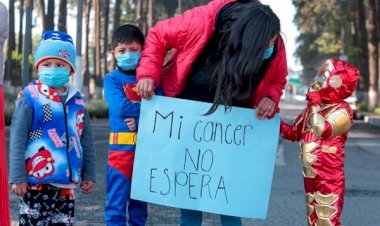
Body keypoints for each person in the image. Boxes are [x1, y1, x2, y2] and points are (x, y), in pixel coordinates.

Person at [136, 0, 287, 225]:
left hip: (233, 125)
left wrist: (269, 97)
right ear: (244, 40)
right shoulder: (200, 21)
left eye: (273, 42)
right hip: (189, 116)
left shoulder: (273, 42)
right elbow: (158, 35)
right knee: (190, 192)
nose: (270, 47)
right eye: (264, 44)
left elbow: (277, 79)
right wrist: (148, 73)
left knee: (230, 196)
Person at [9, 30, 96, 225]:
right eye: (47, 64)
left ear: (70, 69)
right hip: (35, 183)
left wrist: (89, 174)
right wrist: (17, 176)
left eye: (60, 64)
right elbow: (17, 138)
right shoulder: (30, 97)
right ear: (38, 66)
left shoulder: (78, 101)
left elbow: (86, 140)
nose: (53, 68)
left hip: (66, 185)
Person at [280, 58, 360, 226]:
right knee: (312, 220)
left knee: (327, 221)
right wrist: (273, 120)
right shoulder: (314, 107)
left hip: (329, 178)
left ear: (336, 81)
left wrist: (315, 104)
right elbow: (294, 133)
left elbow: (323, 130)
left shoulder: (343, 110)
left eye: (324, 76)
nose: (317, 81)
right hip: (311, 176)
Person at [103, 24, 160, 226]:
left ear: (143, 50)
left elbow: (160, 109)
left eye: (134, 50)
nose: (128, 54)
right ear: (114, 53)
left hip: (145, 153)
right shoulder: (111, 79)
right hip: (120, 154)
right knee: (116, 205)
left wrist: (138, 118)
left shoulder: (152, 80)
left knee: (139, 207)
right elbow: (120, 108)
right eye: (122, 50)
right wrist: (145, 111)